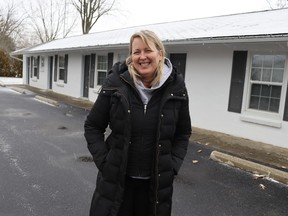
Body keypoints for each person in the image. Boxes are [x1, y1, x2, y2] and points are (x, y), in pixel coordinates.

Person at [84, 30, 192, 216]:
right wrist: (105, 163)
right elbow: (93, 126)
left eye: (148, 50)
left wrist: (172, 166)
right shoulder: (115, 84)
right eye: (136, 52)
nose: (142, 57)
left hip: (155, 187)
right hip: (117, 182)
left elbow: (183, 133)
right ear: (131, 56)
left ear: (160, 54)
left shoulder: (176, 88)